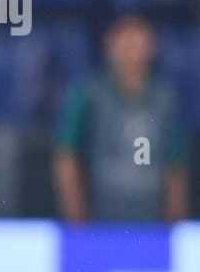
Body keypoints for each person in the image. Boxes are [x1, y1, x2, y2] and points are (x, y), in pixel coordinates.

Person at [53, 13, 187, 224]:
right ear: (109, 45)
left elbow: (176, 165)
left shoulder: (166, 100)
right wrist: (76, 217)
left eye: (137, 40)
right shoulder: (87, 94)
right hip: (100, 218)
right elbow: (66, 156)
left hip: (152, 221)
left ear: (152, 46)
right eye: (124, 39)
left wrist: (174, 222)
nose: (130, 48)